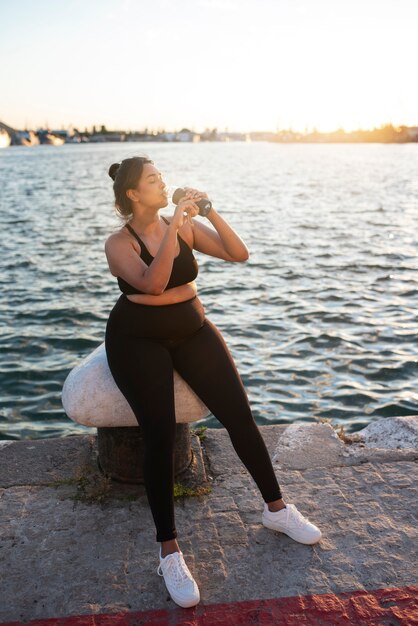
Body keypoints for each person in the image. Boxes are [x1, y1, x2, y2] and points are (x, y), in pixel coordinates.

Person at [104, 155, 322, 609]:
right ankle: (169, 551)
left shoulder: (181, 225)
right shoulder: (118, 244)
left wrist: (206, 213)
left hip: (192, 328)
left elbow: (237, 253)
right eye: (153, 179)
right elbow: (155, 283)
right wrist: (174, 224)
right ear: (132, 194)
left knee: (240, 416)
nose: (163, 182)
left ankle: (276, 510)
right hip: (136, 339)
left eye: (161, 176)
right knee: (160, 435)